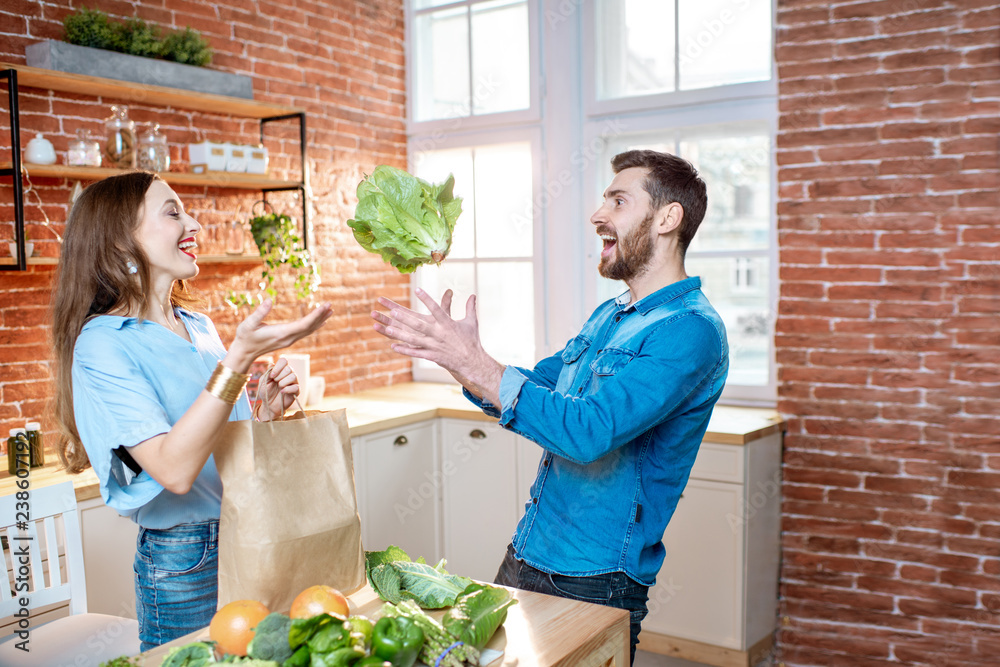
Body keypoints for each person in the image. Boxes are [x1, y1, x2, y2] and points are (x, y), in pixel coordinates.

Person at [370, 150, 728, 664]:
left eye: (619, 200)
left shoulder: (690, 331)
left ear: (668, 218)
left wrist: (476, 365)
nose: (597, 214)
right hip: (528, 550)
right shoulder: (612, 313)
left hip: (596, 577)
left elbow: (588, 432)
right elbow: (541, 384)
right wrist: (461, 360)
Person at [52, 171, 332, 650]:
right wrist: (238, 361)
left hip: (249, 530)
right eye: (173, 212)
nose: (195, 223)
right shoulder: (101, 345)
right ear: (121, 242)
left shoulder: (198, 326)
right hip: (186, 559)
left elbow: (220, 446)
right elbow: (175, 470)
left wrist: (264, 410)